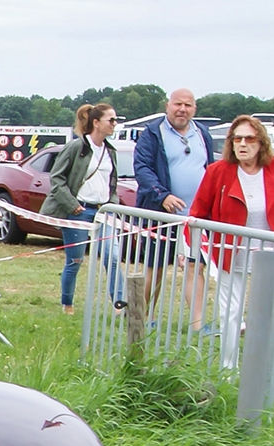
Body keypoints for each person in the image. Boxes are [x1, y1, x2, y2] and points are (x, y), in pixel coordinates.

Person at [188, 115, 274, 366]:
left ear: (261, 143)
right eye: (237, 138)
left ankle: (263, 369)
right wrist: (195, 250)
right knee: (230, 313)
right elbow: (197, 215)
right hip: (229, 253)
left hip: (268, 255)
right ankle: (228, 368)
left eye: (249, 138)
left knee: (265, 313)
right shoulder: (217, 172)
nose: (243, 144)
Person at [133, 88, 216, 324]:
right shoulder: (152, 133)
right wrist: (163, 196)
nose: (182, 109)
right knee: (155, 268)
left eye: (188, 105)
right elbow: (143, 169)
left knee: (194, 267)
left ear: (194, 108)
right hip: (160, 214)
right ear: (167, 106)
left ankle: (198, 324)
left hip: (196, 216)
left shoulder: (203, 133)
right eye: (178, 104)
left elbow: (209, 168)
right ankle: (142, 317)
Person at [41, 103, 126, 314]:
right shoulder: (76, 147)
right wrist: (72, 204)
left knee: (112, 257)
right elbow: (56, 177)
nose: (115, 124)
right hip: (79, 211)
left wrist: (111, 204)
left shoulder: (110, 151)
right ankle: (67, 304)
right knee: (75, 260)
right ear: (96, 123)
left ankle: (120, 305)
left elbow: (112, 182)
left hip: (103, 213)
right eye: (111, 120)